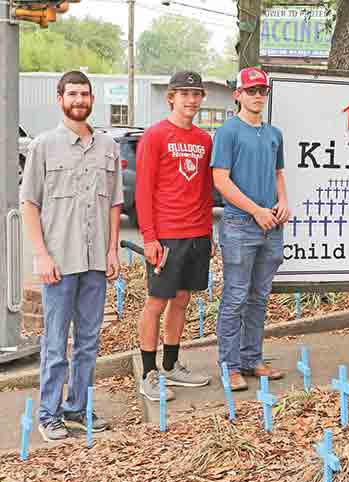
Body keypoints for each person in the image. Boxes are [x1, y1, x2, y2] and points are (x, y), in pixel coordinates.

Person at [19, 71, 122, 441]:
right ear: (60, 97)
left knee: (89, 342)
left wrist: (112, 250)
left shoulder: (108, 146)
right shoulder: (43, 146)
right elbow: (29, 203)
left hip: (95, 262)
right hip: (59, 264)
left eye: (85, 94)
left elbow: (114, 204)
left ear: (92, 99)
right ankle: (49, 413)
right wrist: (41, 256)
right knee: (55, 341)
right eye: (73, 94)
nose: (79, 100)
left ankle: (77, 408)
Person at [135, 71, 215, 401]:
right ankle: (149, 373)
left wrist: (208, 233)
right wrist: (150, 237)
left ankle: (170, 365)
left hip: (196, 233)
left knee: (182, 300)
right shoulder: (155, 136)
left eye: (196, 93)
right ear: (171, 97)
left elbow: (205, 190)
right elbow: (143, 189)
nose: (191, 99)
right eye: (184, 93)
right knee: (157, 302)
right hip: (166, 235)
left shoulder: (204, 139)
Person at [211, 67, 289, 391]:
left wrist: (283, 200)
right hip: (240, 224)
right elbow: (220, 180)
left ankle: (252, 359)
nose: (258, 96)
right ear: (238, 95)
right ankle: (229, 365)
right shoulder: (228, 132)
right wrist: (255, 210)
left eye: (262, 91)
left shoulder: (274, 134)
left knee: (259, 296)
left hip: (271, 224)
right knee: (236, 297)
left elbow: (278, 172)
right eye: (251, 90)